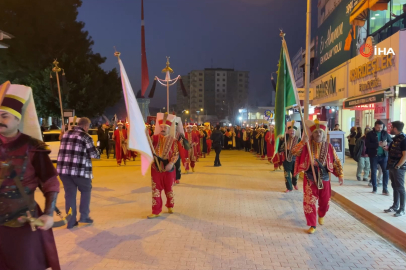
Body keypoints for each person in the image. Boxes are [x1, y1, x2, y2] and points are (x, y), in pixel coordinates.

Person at [0, 82, 61, 270]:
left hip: (23, 224)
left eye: (4, 116)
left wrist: (49, 213)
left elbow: (50, 183)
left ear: (18, 119)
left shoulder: (33, 147)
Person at [292, 119, 344, 234]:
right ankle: (312, 224)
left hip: (324, 176)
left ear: (324, 134)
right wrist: (302, 142)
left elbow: (336, 160)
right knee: (309, 201)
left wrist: (340, 174)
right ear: (312, 134)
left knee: (325, 201)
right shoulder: (307, 146)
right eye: (316, 132)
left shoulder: (329, 146)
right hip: (310, 176)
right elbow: (293, 152)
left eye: (320, 132)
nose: (318, 134)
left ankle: (321, 213)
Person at [57, 117, 100, 229]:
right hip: (80, 171)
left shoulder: (66, 134)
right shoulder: (86, 136)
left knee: (70, 195)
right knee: (86, 191)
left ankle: (71, 222)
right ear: (86, 126)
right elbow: (95, 155)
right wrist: (98, 148)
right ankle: (84, 216)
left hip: (64, 171)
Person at [148, 113, 179, 219]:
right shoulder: (154, 138)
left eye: (165, 127)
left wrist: (171, 163)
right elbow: (147, 147)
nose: (163, 128)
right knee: (156, 189)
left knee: (168, 188)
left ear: (169, 128)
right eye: (161, 127)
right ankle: (156, 211)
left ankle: (170, 205)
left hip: (168, 168)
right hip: (156, 168)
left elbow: (176, 153)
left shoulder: (173, 140)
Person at [384, 121, 406, 217]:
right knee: (395, 186)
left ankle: (402, 209)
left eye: (392, 127)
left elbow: (405, 156)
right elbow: (394, 150)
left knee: (400, 188)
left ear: (395, 128)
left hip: (398, 168)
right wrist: (386, 148)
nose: (390, 129)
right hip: (392, 166)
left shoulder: (404, 139)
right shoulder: (396, 139)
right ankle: (395, 206)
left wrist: (398, 166)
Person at [365, 120, 393, 195]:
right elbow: (367, 144)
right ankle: (374, 188)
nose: (380, 129)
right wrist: (377, 144)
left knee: (386, 172)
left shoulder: (385, 133)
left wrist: (387, 144)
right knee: (374, 171)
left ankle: (385, 189)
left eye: (381, 127)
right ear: (375, 126)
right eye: (378, 127)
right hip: (374, 156)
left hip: (384, 156)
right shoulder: (370, 134)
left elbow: (391, 141)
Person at [281, 121, 301, 192]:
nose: (291, 132)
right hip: (286, 158)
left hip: (295, 159)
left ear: (295, 132)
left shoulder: (298, 139)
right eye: (290, 131)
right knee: (287, 174)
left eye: (293, 131)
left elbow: (301, 149)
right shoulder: (285, 139)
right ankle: (289, 187)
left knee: (295, 174)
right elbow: (280, 147)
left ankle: (294, 183)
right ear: (288, 131)